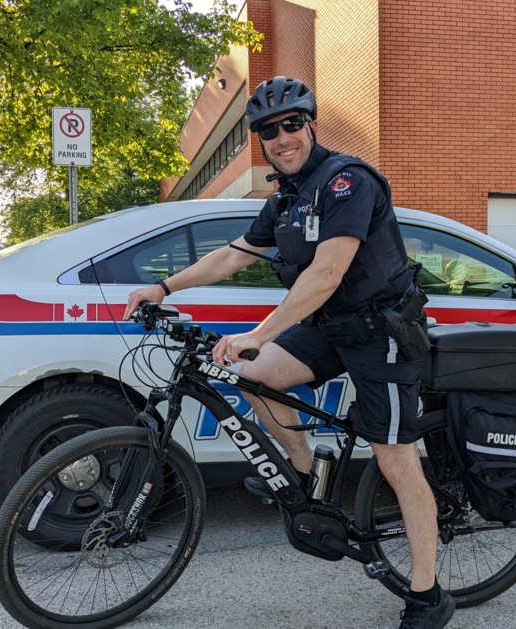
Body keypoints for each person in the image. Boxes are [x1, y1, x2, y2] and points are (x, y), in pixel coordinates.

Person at [125, 76, 454, 628]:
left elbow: (327, 273)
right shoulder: (284, 198)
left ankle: (427, 595)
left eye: (291, 124)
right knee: (257, 376)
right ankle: (305, 476)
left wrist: (259, 330)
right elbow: (231, 256)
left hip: (382, 334)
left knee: (394, 459)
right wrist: (164, 288)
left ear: (311, 124)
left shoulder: (347, 182)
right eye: (268, 131)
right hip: (333, 328)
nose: (281, 138)